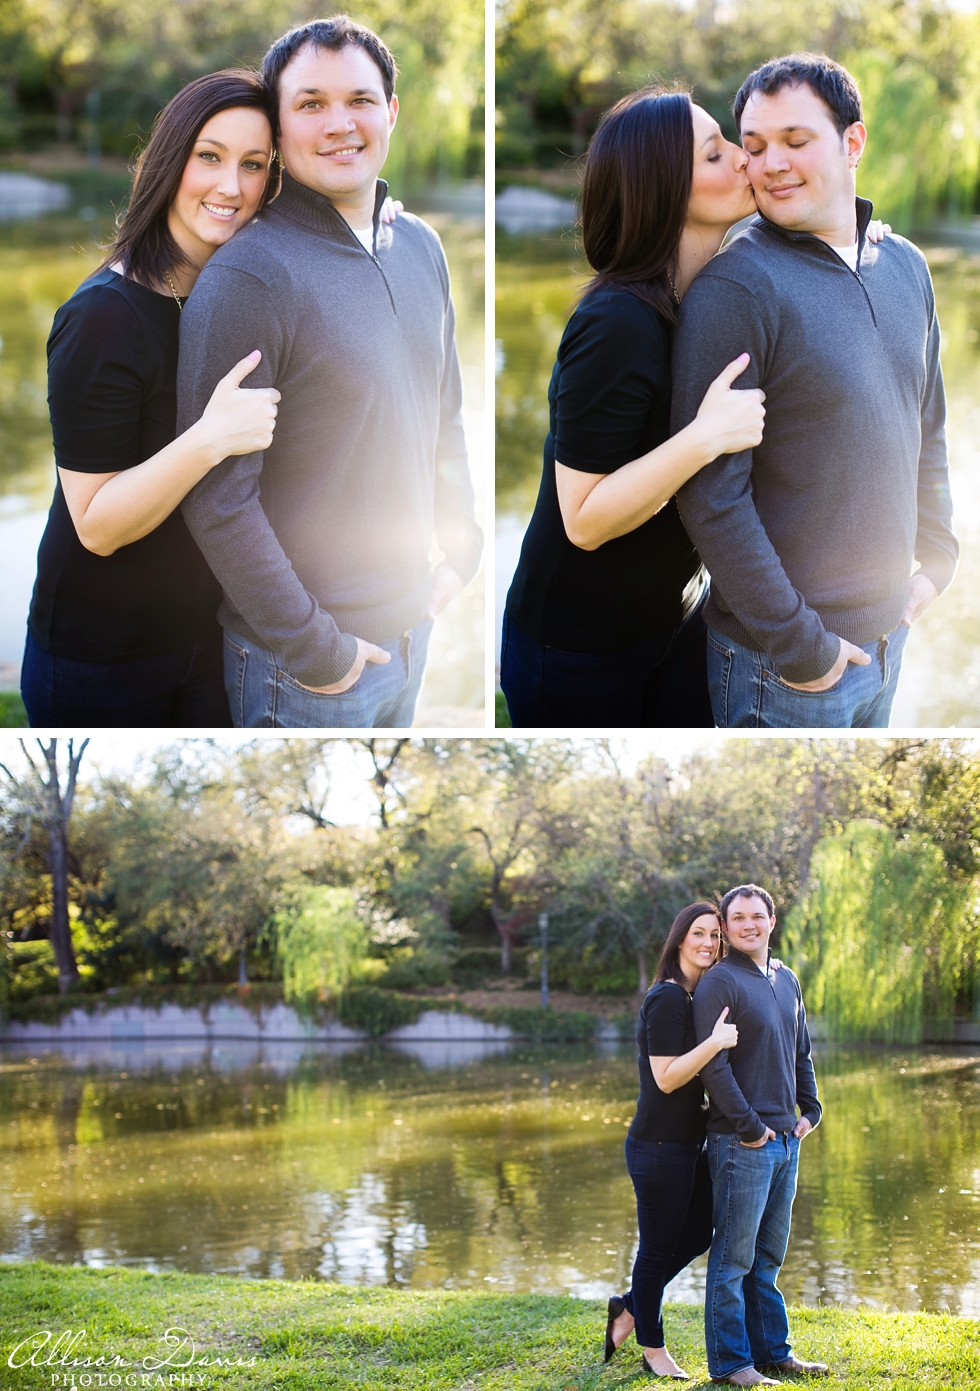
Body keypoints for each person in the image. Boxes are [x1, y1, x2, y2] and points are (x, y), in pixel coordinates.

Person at [177, 16, 482, 728]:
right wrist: (317, 648)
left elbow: (444, 413)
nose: (340, 123)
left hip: (413, 629)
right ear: (278, 132)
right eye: (311, 104)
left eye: (360, 100)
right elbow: (218, 497)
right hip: (301, 669)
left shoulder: (421, 246)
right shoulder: (251, 274)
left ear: (392, 112)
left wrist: (461, 546)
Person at [671, 54, 958, 728]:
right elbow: (713, 495)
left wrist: (939, 554)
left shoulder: (907, 267)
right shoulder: (737, 289)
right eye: (755, 146)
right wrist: (801, 644)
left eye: (796, 142)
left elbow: (928, 423)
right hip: (784, 666)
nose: (771, 163)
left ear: (852, 142)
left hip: (892, 633)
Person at [20, 70, 281, 727]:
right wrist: (210, 438)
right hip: (102, 660)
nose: (232, 187)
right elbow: (97, 524)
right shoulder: (103, 317)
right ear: (169, 162)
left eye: (254, 165)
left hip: (207, 638)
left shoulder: (230, 299)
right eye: (210, 157)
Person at [500, 88, 765, 729]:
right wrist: (704, 438)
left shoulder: (712, 294)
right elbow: (584, 520)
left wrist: (857, 234)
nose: (743, 156)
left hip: (678, 618)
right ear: (665, 188)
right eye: (715, 153)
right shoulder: (617, 321)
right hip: (576, 648)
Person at [691, 885, 824, 1387]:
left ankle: (773, 1353)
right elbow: (713, 1067)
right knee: (732, 1260)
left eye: (757, 916)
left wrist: (810, 1109)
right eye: (738, 918)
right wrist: (750, 1130)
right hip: (740, 1143)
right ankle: (730, 1365)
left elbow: (801, 1051)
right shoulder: (718, 983)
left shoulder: (785, 978)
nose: (749, 925)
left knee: (767, 1259)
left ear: (772, 921)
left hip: (786, 1140)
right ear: (725, 927)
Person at [605, 902, 737, 1380]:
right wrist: (716, 1042)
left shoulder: (693, 997)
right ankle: (652, 1348)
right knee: (657, 1249)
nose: (708, 942)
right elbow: (665, 1078)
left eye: (714, 936)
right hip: (657, 1147)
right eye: (698, 933)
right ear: (680, 939)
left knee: (699, 1233)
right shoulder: (666, 998)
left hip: (686, 1145)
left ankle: (629, 1305)